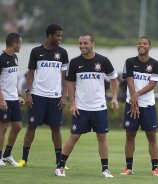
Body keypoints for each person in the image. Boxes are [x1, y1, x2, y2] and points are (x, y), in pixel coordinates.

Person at [55, 34, 119, 178]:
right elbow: (70, 84)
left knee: (102, 137)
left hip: (99, 107)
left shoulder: (103, 60)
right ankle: (60, 166)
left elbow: (114, 79)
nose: (82, 46)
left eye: (85, 43)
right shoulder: (75, 62)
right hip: (81, 107)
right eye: (80, 43)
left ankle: (105, 170)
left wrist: (114, 98)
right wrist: (72, 104)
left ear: (93, 44)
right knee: (74, 136)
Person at [16, 24, 69, 167]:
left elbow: (65, 76)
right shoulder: (36, 51)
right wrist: (28, 93)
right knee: (31, 126)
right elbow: (31, 73)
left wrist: (64, 96)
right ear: (50, 35)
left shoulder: (62, 53)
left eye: (61, 35)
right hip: (37, 95)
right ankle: (24, 159)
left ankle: (59, 162)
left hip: (55, 97)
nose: (60, 38)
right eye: (58, 35)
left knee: (56, 128)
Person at [120, 36, 158, 176]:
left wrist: (136, 95)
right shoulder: (130, 61)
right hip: (131, 104)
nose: (141, 45)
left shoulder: (156, 64)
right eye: (139, 43)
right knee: (130, 135)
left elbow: (152, 84)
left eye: (144, 43)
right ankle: (128, 168)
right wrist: (134, 100)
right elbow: (130, 81)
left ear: (150, 46)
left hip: (148, 105)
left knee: (152, 136)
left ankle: (155, 168)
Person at [0, 33, 24, 166]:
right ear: (14, 43)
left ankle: (7, 155)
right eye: (20, 43)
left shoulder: (15, 57)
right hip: (4, 99)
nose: (21, 45)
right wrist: (1, 100)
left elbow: (12, 80)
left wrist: (18, 95)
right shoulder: (1, 59)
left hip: (14, 98)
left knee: (18, 126)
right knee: (2, 128)